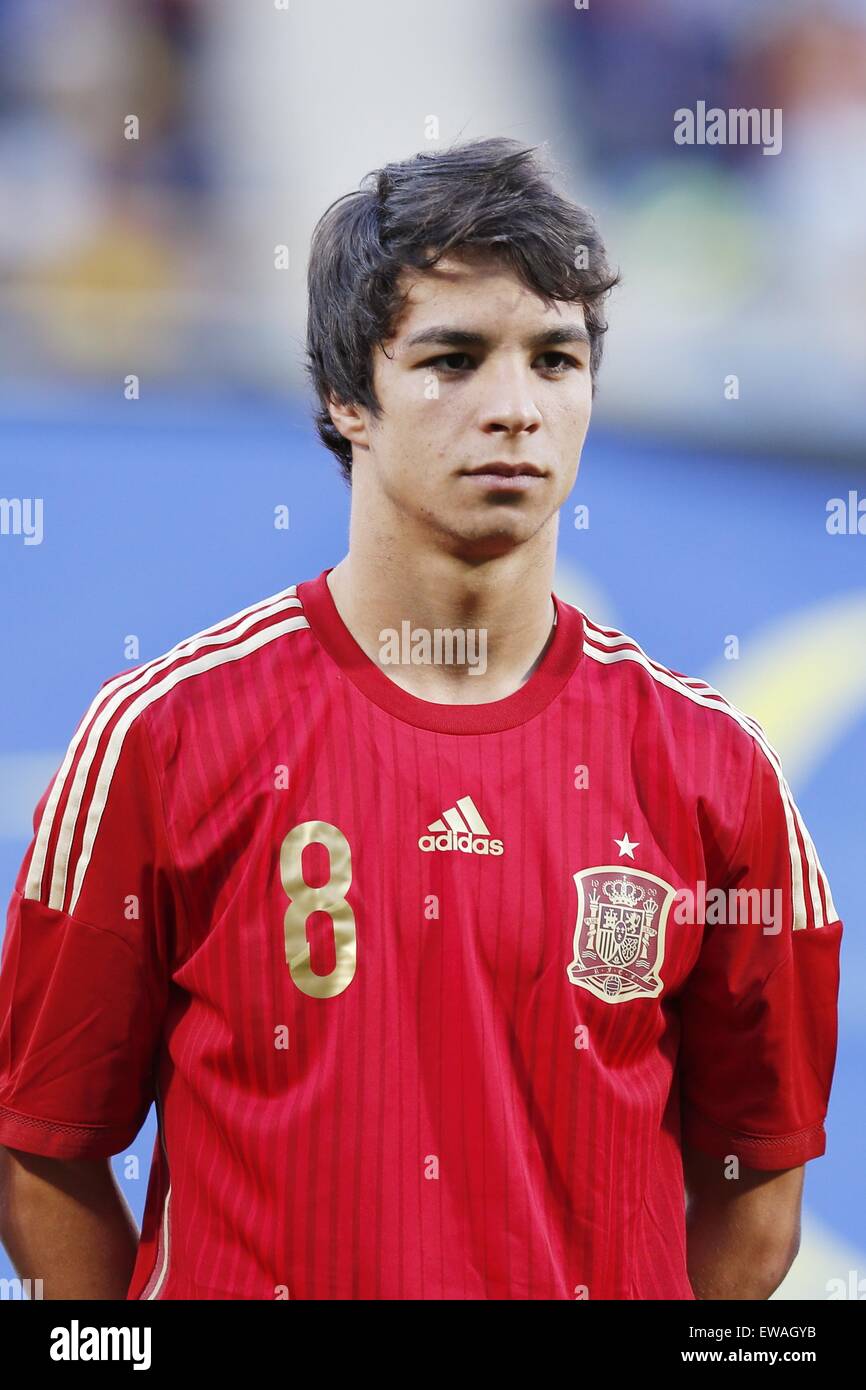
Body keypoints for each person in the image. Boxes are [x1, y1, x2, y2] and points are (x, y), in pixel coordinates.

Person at [0, 138, 842, 1300]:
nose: (514, 409)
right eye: (453, 359)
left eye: (554, 359)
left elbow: (755, 1191)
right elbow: (43, 1145)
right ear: (348, 395)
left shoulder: (718, 770)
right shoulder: (161, 734)